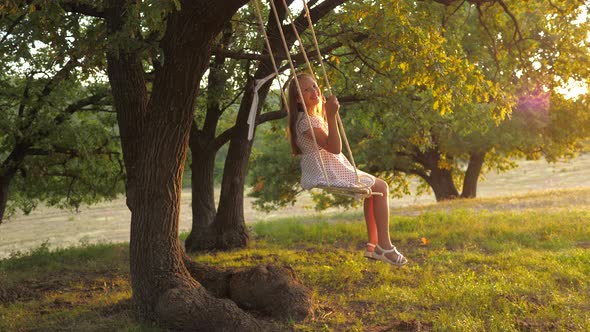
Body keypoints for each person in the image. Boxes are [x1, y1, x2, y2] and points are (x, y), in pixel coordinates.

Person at [286, 73, 407, 267]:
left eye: (315, 86)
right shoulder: (306, 122)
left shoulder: (310, 118)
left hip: (333, 166)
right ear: (298, 98)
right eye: (306, 90)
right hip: (328, 170)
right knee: (381, 188)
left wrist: (326, 114)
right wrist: (332, 116)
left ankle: (373, 246)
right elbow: (334, 148)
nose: (313, 91)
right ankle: (385, 246)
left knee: (373, 192)